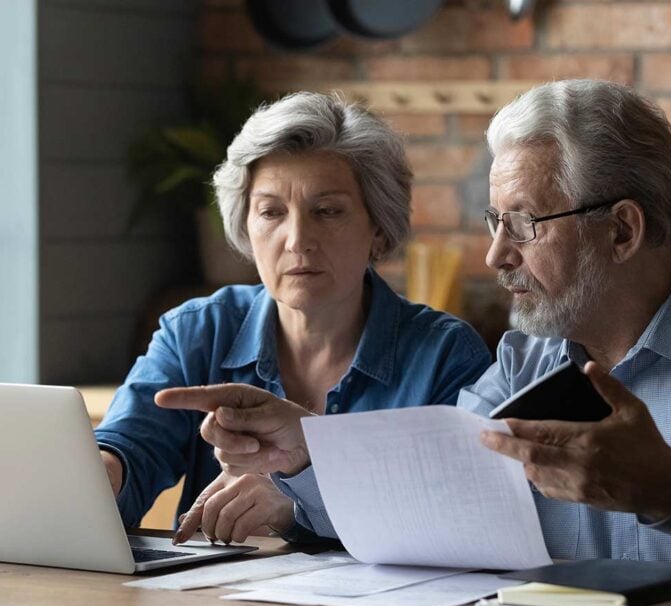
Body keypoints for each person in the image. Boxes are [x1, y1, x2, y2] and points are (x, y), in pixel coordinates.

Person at [178, 80, 671, 581]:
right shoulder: (524, 362)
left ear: (622, 230)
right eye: (494, 222)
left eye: (523, 224)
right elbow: (427, 494)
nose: (495, 256)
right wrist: (305, 449)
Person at [94, 92, 492, 545]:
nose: (298, 240)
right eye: (271, 212)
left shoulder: (446, 356)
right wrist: (102, 476)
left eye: (327, 211)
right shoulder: (197, 332)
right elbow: (131, 446)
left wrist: (301, 505)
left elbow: (460, 516)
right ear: (246, 227)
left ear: (378, 229)